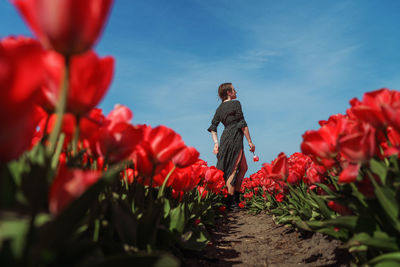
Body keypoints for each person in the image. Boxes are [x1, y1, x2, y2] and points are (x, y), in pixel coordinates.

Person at [207, 83, 255, 209]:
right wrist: (250, 141)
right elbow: (242, 123)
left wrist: (216, 143)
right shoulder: (236, 103)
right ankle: (231, 202)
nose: (236, 91)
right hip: (234, 137)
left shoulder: (219, 109)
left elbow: (213, 127)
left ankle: (235, 198)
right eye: (234, 90)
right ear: (228, 92)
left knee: (243, 167)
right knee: (233, 169)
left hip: (225, 138)